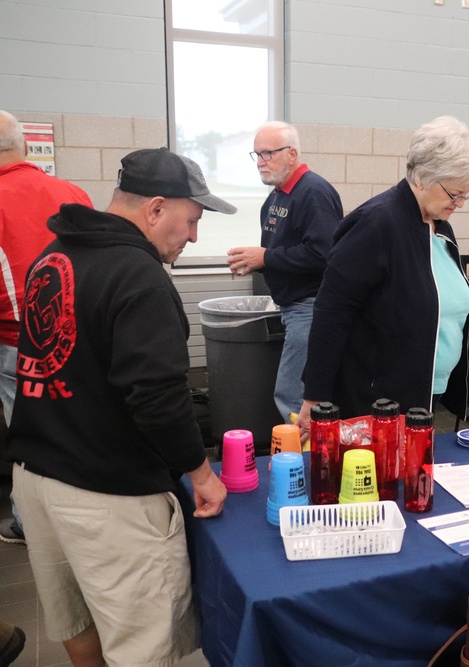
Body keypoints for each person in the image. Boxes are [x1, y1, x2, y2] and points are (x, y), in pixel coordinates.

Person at [6, 147, 233, 667]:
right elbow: (156, 396)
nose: (194, 236)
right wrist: (200, 473)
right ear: (155, 209)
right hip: (105, 492)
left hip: (35, 480)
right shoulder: (139, 274)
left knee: (76, 619)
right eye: (192, 220)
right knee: (142, 644)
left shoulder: (54, 254)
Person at [297, 116, 469, 429]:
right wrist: (314, 396)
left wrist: (464, 323)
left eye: (466, 194)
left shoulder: (440, 225)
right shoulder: (375, 225)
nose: (460, 203)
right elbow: (332, 314)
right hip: (377, 398)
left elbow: (429, 298)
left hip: (427, 392)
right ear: (421, 177)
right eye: (454, 193)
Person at [0, 110, 92, 545]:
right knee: (79, 421)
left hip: (16, 341)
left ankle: (30, 524)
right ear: (25, 146)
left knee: (30, 433)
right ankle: (83, 514)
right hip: (81, 338)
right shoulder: (70, 191)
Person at [227, 121, 343, 422]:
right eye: (257, 155)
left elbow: (323, 254)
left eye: (268, 154)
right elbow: (283, 248)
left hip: (310, 308)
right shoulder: (278, 195)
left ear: (292, 155)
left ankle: (300, 465)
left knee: (293, 398)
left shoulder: (313, 192)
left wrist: (265, 258)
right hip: (293, 307)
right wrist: (257, 260)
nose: (261, 162)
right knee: (295, 396)